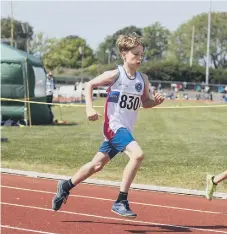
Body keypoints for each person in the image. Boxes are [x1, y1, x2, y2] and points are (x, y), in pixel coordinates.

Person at [52, 33, 164, 218]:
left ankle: (66, 185)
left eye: (141, 55)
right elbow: (89, 84)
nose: (139, 58)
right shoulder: (115, 75)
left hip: (125, 129)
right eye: (135, 54)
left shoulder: (142, 79)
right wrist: (89, 108)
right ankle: (121, 200)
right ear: (124, 55)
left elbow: (145, 102)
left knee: (96, 166)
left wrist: (155, 102)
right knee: (138, 155)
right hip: (113, 126)